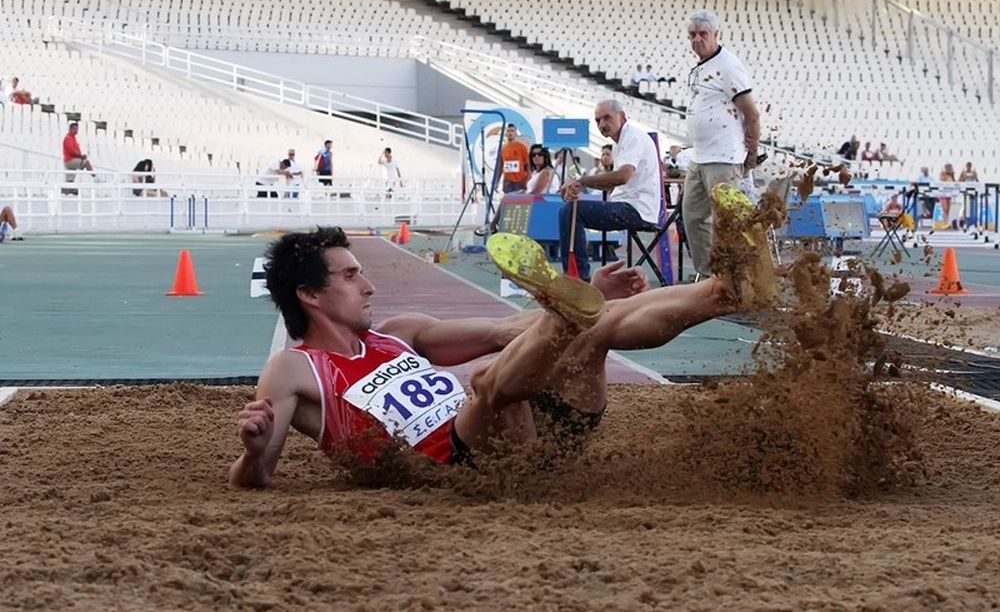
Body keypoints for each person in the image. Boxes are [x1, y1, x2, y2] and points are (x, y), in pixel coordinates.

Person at [229, 207, 769, 487]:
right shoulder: (295, 369)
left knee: (592, 332)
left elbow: (505, 332)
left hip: (544, 438)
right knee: (488, 387)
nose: (368, 286)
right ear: (309, 294)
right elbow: (258, 478)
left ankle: (725, 290)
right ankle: (562, 315)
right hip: (463, 465)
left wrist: (593, 302)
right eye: (349, 276)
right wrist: (254, 454)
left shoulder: (400, 332)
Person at [682, 9, 761, 279]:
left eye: (703, 34)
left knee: (726, 221)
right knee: (692, 217)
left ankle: (735, 279)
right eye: (692, 35)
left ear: (716, 35)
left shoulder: (728, 65)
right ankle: (708, 276)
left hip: (724, 157)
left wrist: (752, 151)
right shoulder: (701, 67)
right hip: (700, 155)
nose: (697, 40)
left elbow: (751, 113)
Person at [558, 99, 662, 282]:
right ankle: (576, 276)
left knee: (570, 211)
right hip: (628, 204)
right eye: (598, 121)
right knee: (571, 209)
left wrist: (581, 180)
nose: (602, 124)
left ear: (622, 116)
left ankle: (578, 279)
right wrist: (581, 185)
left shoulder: (633, 137)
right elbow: (612, 184)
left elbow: (622, 177)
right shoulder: (620, 141)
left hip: (637, 209)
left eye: (607, 118)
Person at [476, 124, 530, 235]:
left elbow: (527, 165)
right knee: (507, 202)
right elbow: (500, 166)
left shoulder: (521, 147)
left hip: (519, 180)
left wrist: (527, 180)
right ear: (506, 133)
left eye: (512, 131)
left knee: (517, 203)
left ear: (515, 133)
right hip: (508, 181)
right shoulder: (503, 148)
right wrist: (496, 182)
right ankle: (504, 226)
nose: (510, 133)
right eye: (508, 131)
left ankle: (512, 227)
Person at [62, 122, 94, 196]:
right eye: (75, 129)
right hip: (70, 160)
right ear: (70, 129)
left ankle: (66, 191)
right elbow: (71, 150)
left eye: (77, 129)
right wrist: (81, 156)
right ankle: (95, 177)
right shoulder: (68, 138)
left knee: (70, 181)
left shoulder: (72, 138)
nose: (76, 131)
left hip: (70, 161)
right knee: (86, 162)